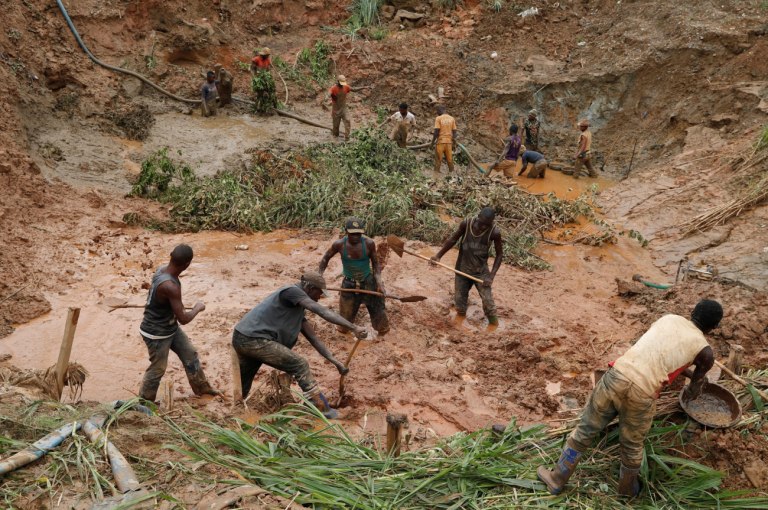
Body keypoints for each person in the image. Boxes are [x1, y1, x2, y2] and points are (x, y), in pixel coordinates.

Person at [537, 299, 723, 497]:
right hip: (642, 393)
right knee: (632, 446)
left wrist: (685, 372)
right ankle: (627, 492)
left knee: (584, 431)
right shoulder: (706, 353)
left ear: (693, 311)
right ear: (715, 327)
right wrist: (698, 382)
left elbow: (658, 354)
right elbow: (692, 391)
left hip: (617, 375)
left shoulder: (669, 319)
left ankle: (557, 478)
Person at [232, 271, 367, 419]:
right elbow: (320, 311)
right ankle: (321, 408)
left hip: (244, 337)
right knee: (299, 364)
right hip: (254, 340)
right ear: (308, 287)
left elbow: (314, 339)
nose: (319, 298)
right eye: (318, 293)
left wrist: (335, 362)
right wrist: (353, 327)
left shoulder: (297, 311)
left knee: (244, 381)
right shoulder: (291, 291)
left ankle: (238, 415)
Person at [138, 244, 218, 402]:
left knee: (190, 354)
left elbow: (169, 306)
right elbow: (184, 319)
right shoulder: (171, 286)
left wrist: (175, 305)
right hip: (156, 333)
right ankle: (144, 403)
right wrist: (197, 308)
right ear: (187, 264)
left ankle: (203, 389)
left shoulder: (161, 270)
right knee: (158, 368)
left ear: (170, 256)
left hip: (170, 326)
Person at [430, 207, 503, 326]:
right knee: (460, 302)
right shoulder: (466, 224)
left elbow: (499, 255)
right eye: (482, 224)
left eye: (487, 225)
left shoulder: (494, 232)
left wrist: (491, 276)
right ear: (478, 217)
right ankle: (459, 324)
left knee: (488, 302)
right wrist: (438, 256)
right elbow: (453, 240)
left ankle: (494, 326)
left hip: (481, 272)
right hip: (462, 269)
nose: (483, 227)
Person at [318, 217, 389, 336]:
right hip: (349, 283)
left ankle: (383, 334)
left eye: (358, 234)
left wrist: (379, 282)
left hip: (368, 281)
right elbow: (325, 258)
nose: (356, 237)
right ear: (346, 231)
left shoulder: (369, 243)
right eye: (352, 234)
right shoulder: (339, 244)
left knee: (379, 314)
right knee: (344, 324)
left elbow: (376, 265)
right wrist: (319, 277)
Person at [431, 104, 457, 173]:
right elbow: (454, 132)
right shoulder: (452, 118)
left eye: (437, 111)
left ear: (440, 110)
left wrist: (432, 143)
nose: (437, 113)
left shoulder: (438, 118)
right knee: (450, 160)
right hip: (449, 143)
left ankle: (436, 177)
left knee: (438, 160)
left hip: (440, 142)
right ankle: (452, 176)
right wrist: (454, 143)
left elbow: (436, 131)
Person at [329, 75, 352, 140]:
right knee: (335, 127)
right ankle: (335, 137)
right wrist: (327, 96)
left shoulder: (346, 87)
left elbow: (353, 89)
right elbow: (329, 92)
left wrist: (364, 87)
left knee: (347, 121)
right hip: (336, 110)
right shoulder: (333, 88)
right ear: (338, 81)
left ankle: (347, 138)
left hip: (344, 108)